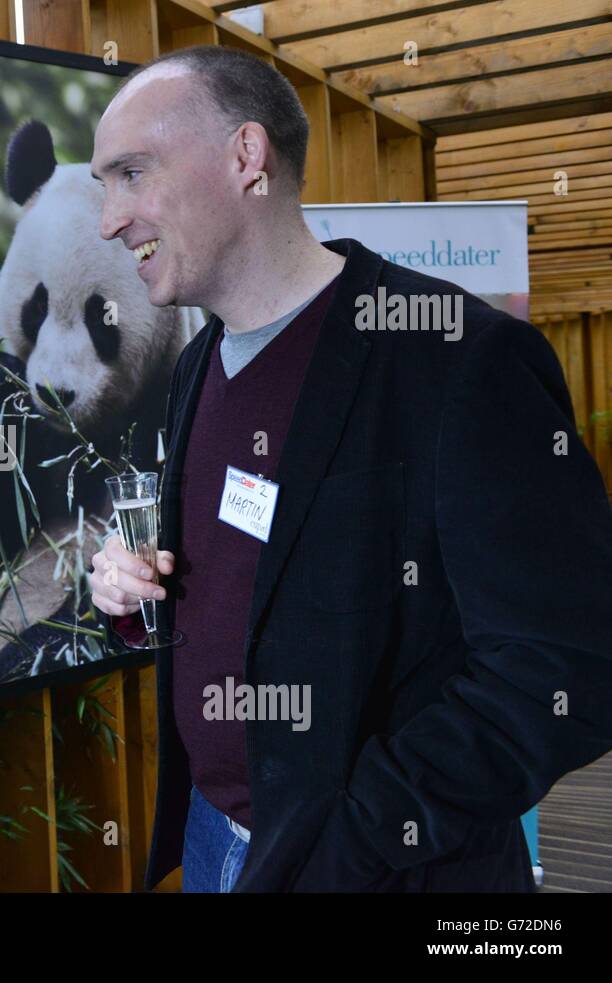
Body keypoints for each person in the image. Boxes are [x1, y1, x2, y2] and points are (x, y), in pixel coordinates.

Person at [87, 46, 612, 892]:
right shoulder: (198, 367)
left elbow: (568, 668)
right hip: (216, 840)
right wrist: (131, 590)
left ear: (245, 157)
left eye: (131, 174)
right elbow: (248, 581)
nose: (110, 219)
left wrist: (352, 838)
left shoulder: (454, 358)